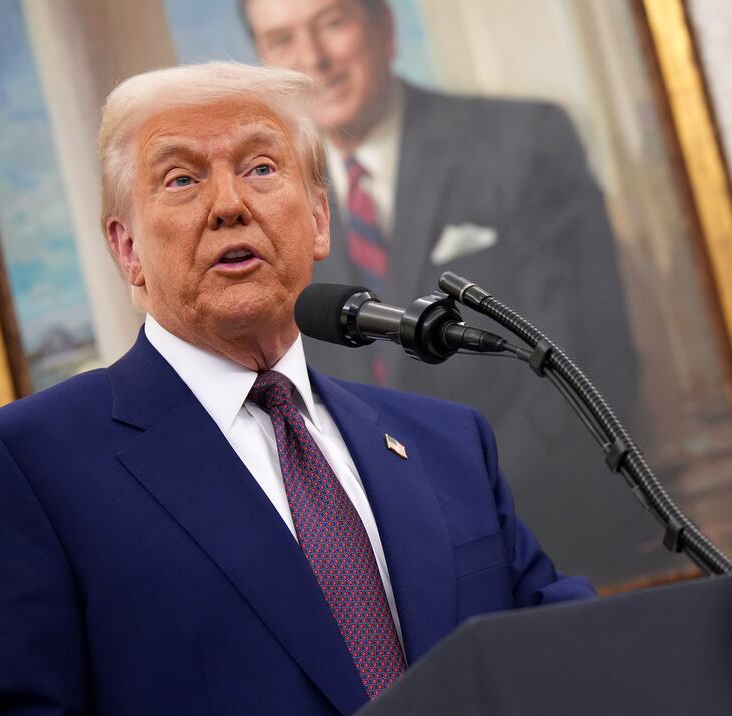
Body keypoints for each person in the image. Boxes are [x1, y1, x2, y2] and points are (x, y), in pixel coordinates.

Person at [0, 61, 594, 716]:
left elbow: (560, 657)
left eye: (261, 166)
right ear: (126, 247)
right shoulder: (24, 465)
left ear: (317, 219)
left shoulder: (445, 442)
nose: (230, 203)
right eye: (180, 177)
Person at [241, 0, 656, 585]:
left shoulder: (522, 140)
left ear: (384, 27)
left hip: (556, 544)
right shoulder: (261, 213)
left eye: (332, 23)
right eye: (282, 42)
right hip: (389, 585)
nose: (314, 60)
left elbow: (589, 358)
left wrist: (457, 512)